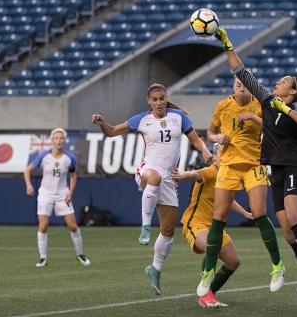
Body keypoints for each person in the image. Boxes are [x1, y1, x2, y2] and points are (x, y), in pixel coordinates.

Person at [212, 26, 297, 312]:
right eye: (278, 81)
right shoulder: (266, 100)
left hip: (295, 167)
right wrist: (227, 43)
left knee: (292, 217)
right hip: (275, 172)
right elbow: (242, 72)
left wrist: (283, 107)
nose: (277, 83)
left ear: (293, 91)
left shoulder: (296, 110)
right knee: (288, 233)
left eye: (284, 82)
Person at [91, 83, 212, 295]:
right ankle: (145, 226)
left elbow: (195, 140)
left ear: (166, 98)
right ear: (149, 101)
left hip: (170, 179)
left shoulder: (178, 117)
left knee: (167, 231)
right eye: (154, 99)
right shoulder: (142, 119)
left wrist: (204, 151)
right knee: (154, 177)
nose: (158, 102)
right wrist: (103, 123)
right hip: (147, 171)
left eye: (161, 98)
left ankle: (155, 269)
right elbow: (111, 132)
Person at [196, 77, 286, 300]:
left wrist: (252, 117)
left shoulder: (260, 103)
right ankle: (207, 271)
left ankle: (277, 266)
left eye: (245, 85)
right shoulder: (223, 105)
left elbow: (273, 128)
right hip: (228, 166)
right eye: (238, 85)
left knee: (258, 213)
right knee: (219, 216)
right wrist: (218, 138)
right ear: (233, 87)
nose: (242, 89)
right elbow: (210, 132)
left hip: (253, 164)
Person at [173, 144, 252, 307]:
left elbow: (227, 200)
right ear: (214, 157)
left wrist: (245, 214)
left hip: (215, 226)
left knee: (233, 261)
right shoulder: (211, 171)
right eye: (222, 152)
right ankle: (204, 291)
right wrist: (182, 175)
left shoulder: (228, 176)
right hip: (196, 223)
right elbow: (196, 174)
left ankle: (209, 294)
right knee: (212, 246)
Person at [24, 128, 91, 268]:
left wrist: (70, 192)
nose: (58, 141)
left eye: (61, 138)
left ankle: (80, 254)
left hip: (62, 194)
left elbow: (73, 175)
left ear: (64, 140)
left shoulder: (69, 158)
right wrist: (29, 186)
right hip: (45, 194)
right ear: (52, 140)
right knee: (43, 226)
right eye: (56, 138)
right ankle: (43, 258)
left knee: (72, 225)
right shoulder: (43, 155)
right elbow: (27, 170)